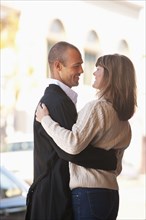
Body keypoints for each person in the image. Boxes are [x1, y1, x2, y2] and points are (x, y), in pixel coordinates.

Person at [36, 53, 137, 220]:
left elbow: (73, 144)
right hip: (111, 193)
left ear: (110, 75)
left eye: (98, 69)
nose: (93, 72)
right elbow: (116, 166)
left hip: (89, 193)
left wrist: (45, 120)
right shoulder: (124, 120)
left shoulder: (97, 108)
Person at [25, 42, 117, 220]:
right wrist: (110, 159)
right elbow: (72, 150)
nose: (82, 70)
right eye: (76, 65)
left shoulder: (61, 99)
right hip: (53, 199)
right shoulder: (56, 101)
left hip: (54, 195)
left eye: (82, 64)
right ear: (58, 66)